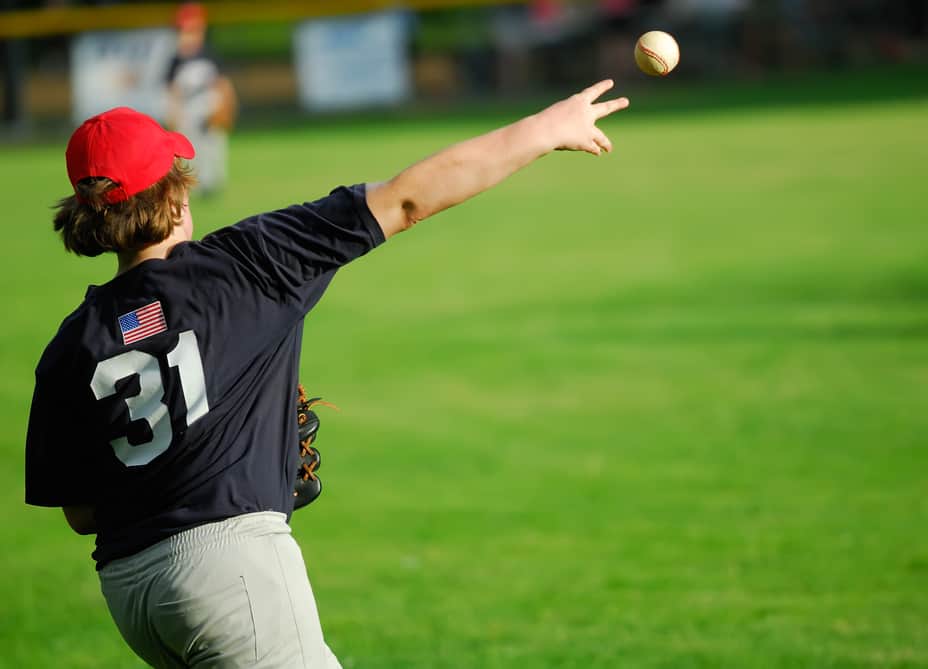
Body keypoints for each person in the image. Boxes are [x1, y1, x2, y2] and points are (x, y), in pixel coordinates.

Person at [24, 79, 628, 667]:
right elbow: (408, 198)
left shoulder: (71, 343)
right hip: (231, 577)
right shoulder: (244, 266)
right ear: (173, 197)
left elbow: (81, 513)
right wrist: (548, 129)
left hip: (133, 597)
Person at [165, 2, 234, 195]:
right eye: (184, 31)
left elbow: (222, 84)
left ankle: (213, 183)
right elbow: (172, 91)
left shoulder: (209, 54)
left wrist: (227, 106)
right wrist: (173, 113)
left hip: (210, 109)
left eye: (193, 30)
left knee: (214, 146)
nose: (188, 35)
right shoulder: (175, 59)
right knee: (189, 151)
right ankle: (193, 185)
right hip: (188, 113)